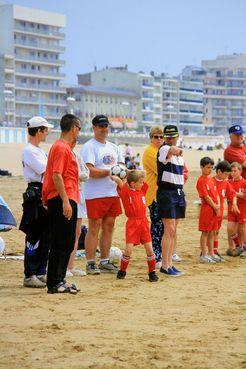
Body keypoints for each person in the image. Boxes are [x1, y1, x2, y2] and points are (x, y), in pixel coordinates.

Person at [42, 114, 81, 294]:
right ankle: (54, 282)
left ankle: (60, 279)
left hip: (68, 196)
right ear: (73, 128)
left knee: (68, 241)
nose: (79, 132)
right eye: (78, 128)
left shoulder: (65, 148)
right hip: (62, 198)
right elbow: (56, 175)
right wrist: (64, 201)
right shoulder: (60, 147)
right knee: (61, 241)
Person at [80, 115, 124, 275]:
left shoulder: (114, 147)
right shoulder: (89, 147)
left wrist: (121, 173)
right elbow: (89, 171)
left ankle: (105, 260)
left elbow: (121, 168)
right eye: (100, 126)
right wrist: (109, 171)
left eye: (106, 126)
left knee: (109, 226)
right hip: (95, 194)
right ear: (94, 128)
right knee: (94, 227)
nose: (104, 129)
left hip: (112, 192)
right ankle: (90, 262)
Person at [19, 116, 53, 288]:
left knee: (46, 234)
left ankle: (40, 271)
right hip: (36, 191)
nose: (47, 132)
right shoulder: (29, 150)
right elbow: (45, 171)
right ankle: (30, 273)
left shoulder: (38, 150)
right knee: (33, 235)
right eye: (45, 129)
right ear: (39, 131)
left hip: (44, 190)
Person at [112, 170, 158, 282]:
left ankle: (152, 273)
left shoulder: (142, 189)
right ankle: (122, 271)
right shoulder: (126, 192)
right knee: (128, 250)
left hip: (143, 222)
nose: (143, 184)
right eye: (140, 182)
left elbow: (143, 174)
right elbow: (120, 182)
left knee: (150, 249)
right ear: (133, 183)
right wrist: (118, 178)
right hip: (132, 223)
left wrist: (129, 171)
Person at [157, 125, 186, 276]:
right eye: (167, 136)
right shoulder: (163, 148)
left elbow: (182, 172)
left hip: (178, 192)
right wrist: (178, 149)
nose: (169, 139)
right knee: (170, 230)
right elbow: (174, 150)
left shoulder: (177, 154)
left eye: (172, 136)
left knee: (173, 230)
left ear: (177, 136)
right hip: (166, 193)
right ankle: (165, 265)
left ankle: (170, 264)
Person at [142, 126, 164, 267]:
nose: (159, 139)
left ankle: (161, 254)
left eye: (161, 136)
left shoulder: (161, 150)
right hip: (153, 193)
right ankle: (155, 256)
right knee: (157, 225)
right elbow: (161, 170)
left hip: (162, 193)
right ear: (151, 138)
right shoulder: (150, 152)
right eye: (156, 137)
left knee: (163, 226)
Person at [66, 152, 89, 277]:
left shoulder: (77, 155)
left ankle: (70, 266)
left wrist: (78, 176)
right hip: (69, 193)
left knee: (77, 232)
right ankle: (64, 267)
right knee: (67, 232)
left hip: (79, 193)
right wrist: (78, 175)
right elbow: (67, 175)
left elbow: (86, 173)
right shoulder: (63, 152)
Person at [211, 160, 239, 261]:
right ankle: (210, 251)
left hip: (220, 211)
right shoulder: (211, 181)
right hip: (212, 210)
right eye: (226, 174)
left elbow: (233, 194)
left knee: (217, 231)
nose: (227, 176)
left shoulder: (225, 182)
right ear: (219, 172)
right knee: (211, 232)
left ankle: (215, 250)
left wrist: (234, 203)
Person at [196, 157, 220, 263]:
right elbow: (206, 196)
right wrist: (214, 206)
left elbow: (215, 194)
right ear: (202, 167)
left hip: (214, 208)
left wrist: (218, 205)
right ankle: (204, 255)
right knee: (205, 232)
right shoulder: (201, 181)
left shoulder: (210, 180)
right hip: (207, 208)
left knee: (212, 232)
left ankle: (211, 253)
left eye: (211, 167)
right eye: (207, 167)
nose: (209, 170)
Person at [227, 162, 246, 258]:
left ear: (240, 171)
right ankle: (239, 245)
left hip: (242, 208)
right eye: (231, 171)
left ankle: (244, 247)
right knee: (230, 228)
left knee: (242, 229)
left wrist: (235, 194)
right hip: (231, 208)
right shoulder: (229, 182)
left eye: (235, 171)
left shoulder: (244, 182)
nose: (233, 173)